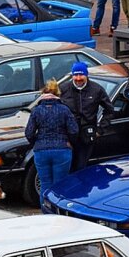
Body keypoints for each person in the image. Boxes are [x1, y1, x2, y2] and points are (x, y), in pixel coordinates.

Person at [24, 79, 78, 207]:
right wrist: (70, 142)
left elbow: (29, 133)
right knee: (60, 185)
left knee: (45, 184)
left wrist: (37, 142)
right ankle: (59, 212)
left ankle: (46, 212)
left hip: (41, 151)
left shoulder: (36, 111)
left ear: (43, 94)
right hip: (62, 150)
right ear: (57, 94)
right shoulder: (64, 109)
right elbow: (74, 130)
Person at [60, 61, 113, 171]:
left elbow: (109, 110)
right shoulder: (63, 89)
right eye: (75, 75)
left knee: (81, 168)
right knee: (67, 168)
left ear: (86, 75)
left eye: (81, 75)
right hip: (67, 136)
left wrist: (100, 130)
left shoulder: (96, 89)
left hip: (87, 136)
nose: (78, 78)